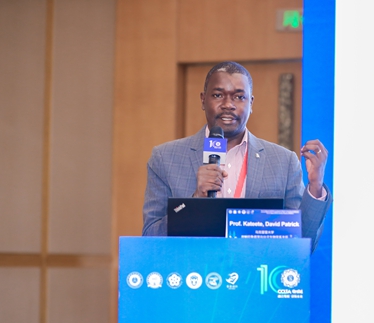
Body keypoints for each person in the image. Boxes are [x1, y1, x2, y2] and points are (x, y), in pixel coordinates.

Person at [142, 61, 332, 250]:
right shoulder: (165, 158)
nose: (228, 105)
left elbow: (302, 245)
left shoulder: (284, 162)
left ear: (251, 103)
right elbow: (150, 238)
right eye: (218, 95)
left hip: (258, 268)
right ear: (203, 100)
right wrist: (195, 201)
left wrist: (315, 186)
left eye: (239, 97)